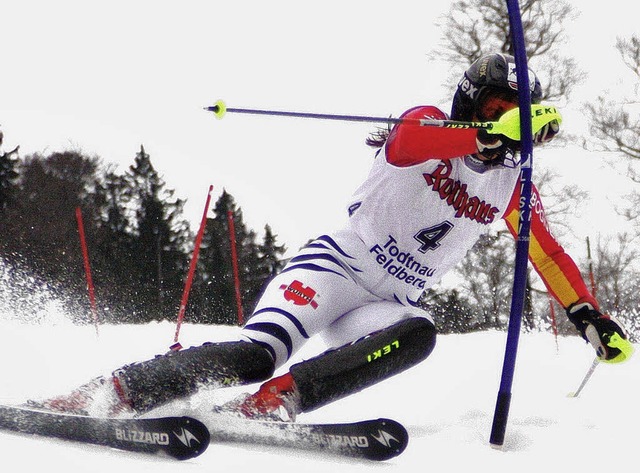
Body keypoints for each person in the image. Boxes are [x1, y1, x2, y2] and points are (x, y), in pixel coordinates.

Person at [34, 53, 633, 421]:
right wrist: (481, 137)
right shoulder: (430, 122)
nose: (508, 119)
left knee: (419, 335)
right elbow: (406, 144)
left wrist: (588, 316)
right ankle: (113, 390)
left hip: (388, 301)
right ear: (473, 101)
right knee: (253, 355)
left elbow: (547, 252)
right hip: (335, 267)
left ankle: (276, 403)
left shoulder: (513, 183)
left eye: (518, 111)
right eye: (500, 105)